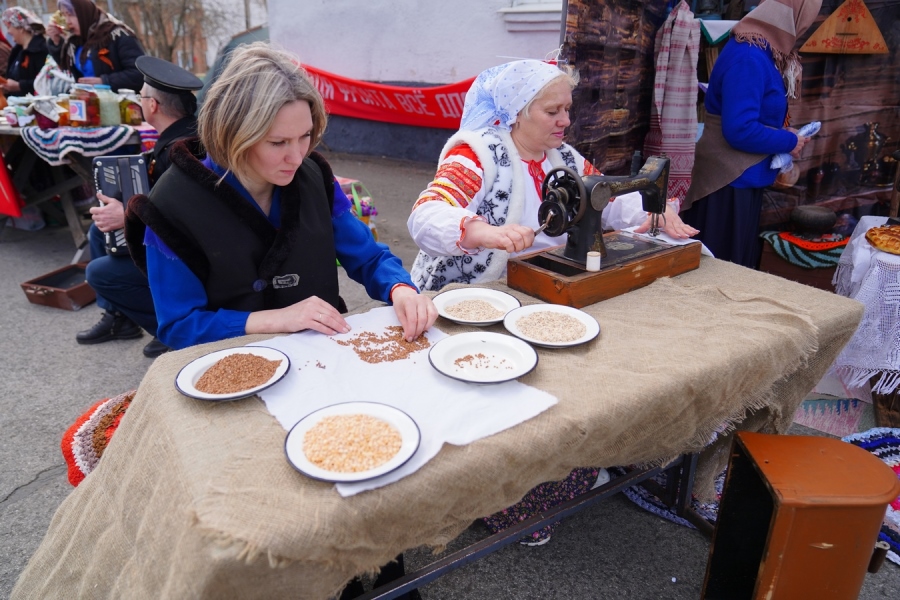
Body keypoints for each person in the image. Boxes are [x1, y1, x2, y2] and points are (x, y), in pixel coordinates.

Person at [124, 42, 436, 351]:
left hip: (321, 355)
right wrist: (276, 319)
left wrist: (400, 289)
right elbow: (179, 325)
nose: (297, 158)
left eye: (305, 136)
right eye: (278, 143)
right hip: (231, 364)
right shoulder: (170, 207)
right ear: (232, 133)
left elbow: (369, 257)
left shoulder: (314, 178)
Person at [408, 59, 698, 292]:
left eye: (567, 109)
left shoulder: (565, 157)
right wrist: (484, 233)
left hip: (543, 279)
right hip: (476, 288)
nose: (566, 121)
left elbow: (607, 199)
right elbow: (426, 215)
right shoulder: (479, 154)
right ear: (517, 113)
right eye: (552, 111)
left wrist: (650, 211)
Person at [77, 56, 204, 358]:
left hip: (192, 257)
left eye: (141, 97)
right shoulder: (185, 134)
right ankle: (118, 318)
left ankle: (176, 329)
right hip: (184, 243)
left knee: (99, 272)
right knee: (98, 233)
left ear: (153, 105)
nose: (139, 101)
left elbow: (191, 223)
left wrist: (126, 217)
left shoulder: (181, 150)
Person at [680, 0, 821, 268]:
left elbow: (751, 118)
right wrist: (789, 141)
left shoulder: (760, 53)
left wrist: (783, 132)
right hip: (727, 186)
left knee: (729, 270)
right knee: (719, 271)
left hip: (739, 182)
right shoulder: (749, 57)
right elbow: (740, 129)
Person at [46, 0, 144, 91]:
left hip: (120, 101)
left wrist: (104, 81)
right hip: (90, 101)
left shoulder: (116, 35)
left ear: (84, 14)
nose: (68, 21)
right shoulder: (76, 41)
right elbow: (67, 68)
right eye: (64, 15)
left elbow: (140, 74)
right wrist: (56, 41)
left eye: (71, 15)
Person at [1, 7, 49, 96]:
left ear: (20, 28)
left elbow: (47, 81)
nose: (8, 32)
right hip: (16, 102)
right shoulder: (17, 51)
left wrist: (20, 86)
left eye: (9, 27)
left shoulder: (41, 49)